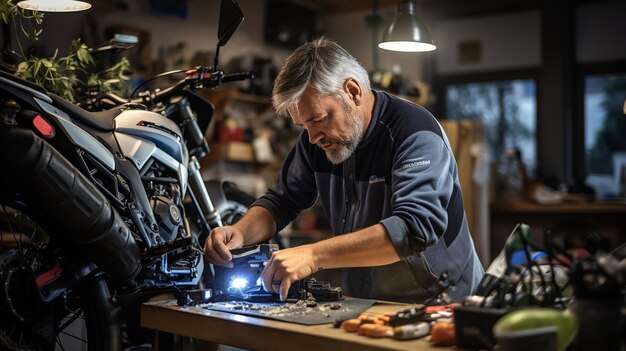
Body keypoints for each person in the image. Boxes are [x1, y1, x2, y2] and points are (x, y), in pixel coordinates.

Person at [205, 37, 484, 303]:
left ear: (352, 92)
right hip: (370, 300)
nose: (313, 138)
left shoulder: (414, 132)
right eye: (304, 126)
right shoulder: (317, 140)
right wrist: (240, 230)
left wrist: (313, 255)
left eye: (319, 119)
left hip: (443, 300)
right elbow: (283, 200)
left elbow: (414, 230)